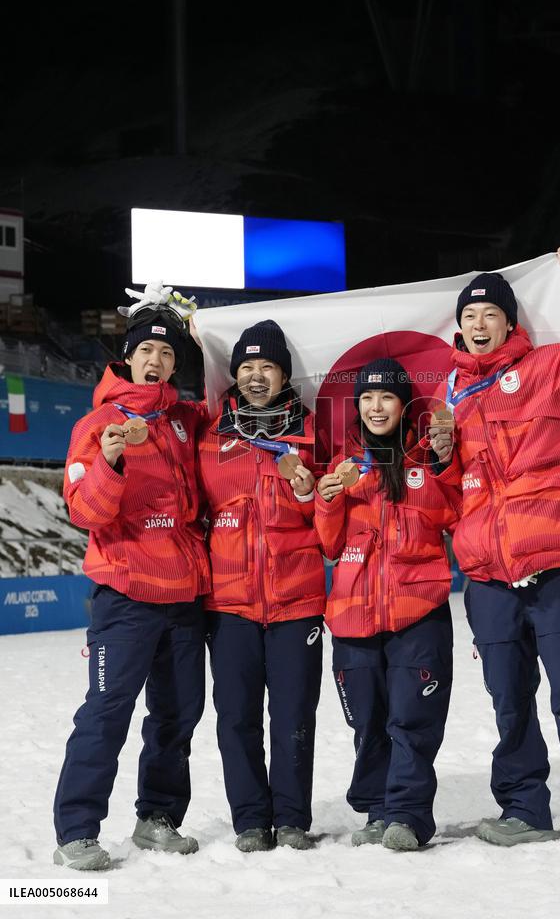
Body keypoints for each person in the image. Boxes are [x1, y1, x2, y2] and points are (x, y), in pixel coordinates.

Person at [429, 242, 560, 856]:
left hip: (558, 570)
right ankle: (523, 808)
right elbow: (446, 501)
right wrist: (440, 457)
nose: (477, 323)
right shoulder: (449, 400)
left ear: (509, 323)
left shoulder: (552, 369)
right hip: (488, 580)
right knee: (509, 701)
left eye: (489, 313)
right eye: (468, 315)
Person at [53, 294, 210, 871]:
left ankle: (157, 818)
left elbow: (239, 399)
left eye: (167, 352)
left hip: (184, 598)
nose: (157, 359)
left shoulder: (185, 421)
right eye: (146, 348)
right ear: (127, 355)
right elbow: (84, 512)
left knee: (178, 714)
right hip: (125, 598)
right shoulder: (97, 426)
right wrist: (111, 464)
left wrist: (208, 330)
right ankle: (76, 829)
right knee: (105, 712)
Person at [315, 358, 461, 851]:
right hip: (354, 614)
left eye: (387, 398)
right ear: (357, 405)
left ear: (403, 405)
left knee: (411, 720)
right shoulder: (344, 463)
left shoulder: (423, 460)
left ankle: (408, 815)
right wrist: (328, 500)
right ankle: (378, 809)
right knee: (369, 721)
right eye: (368, 398)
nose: (376, 407)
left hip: (417, 610)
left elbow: (452, 513)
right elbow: (329, 544)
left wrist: (442, 463)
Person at [197, 319, 325, 852]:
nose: (255, 375)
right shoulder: (211, 438)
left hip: (297, 601)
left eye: (266, 366)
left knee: (294, 714)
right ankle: (250, 818)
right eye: (246, 366)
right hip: (229, 604)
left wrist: (308, 492)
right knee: (236, 716)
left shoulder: (316, 433)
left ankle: (292, 816)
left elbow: (337, 516)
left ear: (283, 375)